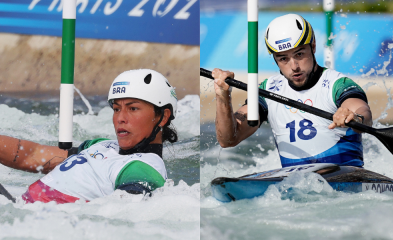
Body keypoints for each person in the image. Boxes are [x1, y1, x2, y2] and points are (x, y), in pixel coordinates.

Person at [212, 14, 372, 168]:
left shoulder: (338, 84)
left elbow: (363, 111)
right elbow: (228, 140)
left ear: (313, 46)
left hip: (345, 181)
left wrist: (354, 118)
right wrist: (222, 96)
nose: (294, 66)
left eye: (299, 54)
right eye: (283, 58)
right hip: (297, 187)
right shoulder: (267, 90)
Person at [0, 69, 178, 204]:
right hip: (16, 211)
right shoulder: (101, 145)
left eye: (133, 108)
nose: (120, 118)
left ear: (163, 116)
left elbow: (119, 221)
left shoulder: (142, 169)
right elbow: (31, 155)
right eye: (116, 109)